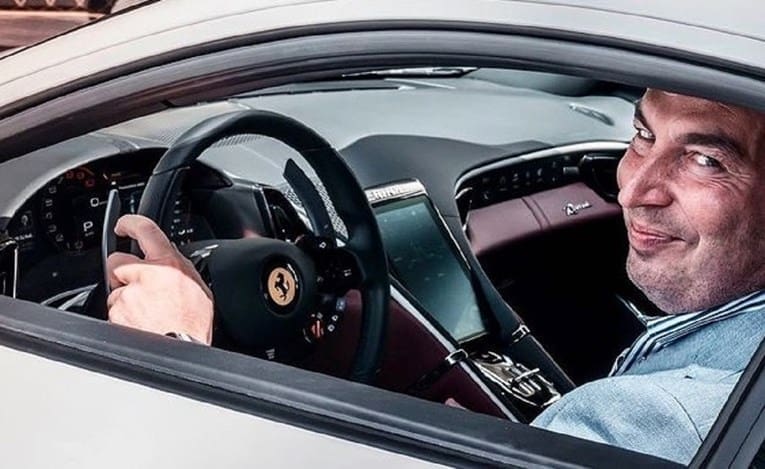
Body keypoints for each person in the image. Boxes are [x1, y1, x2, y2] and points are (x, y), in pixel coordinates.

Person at [107, 89, 765, 464]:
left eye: (705, 160)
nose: (633, 190)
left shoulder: (658, 418)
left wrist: (177, 349)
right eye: (642, 135)